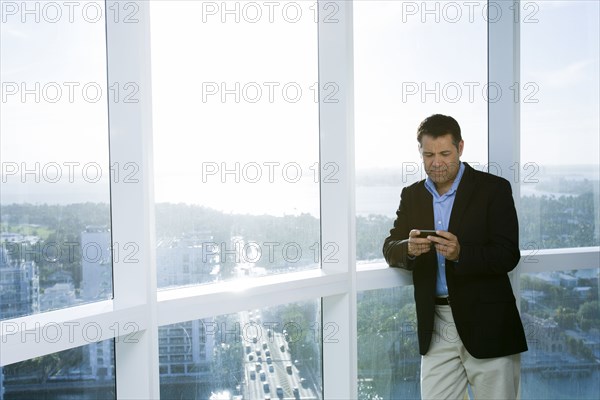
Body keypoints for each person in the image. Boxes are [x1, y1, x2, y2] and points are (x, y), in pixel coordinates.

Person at [382, 114, 527, 399]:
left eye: (445, 153)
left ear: (460, 148)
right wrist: (408, 249)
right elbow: (390, 247)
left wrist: (461, 254)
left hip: (488, 323)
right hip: (435, 325)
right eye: (429, 155)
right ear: (420, 153)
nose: (436, 162)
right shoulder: (411, 195)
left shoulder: (494, 189)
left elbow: (508, 255)